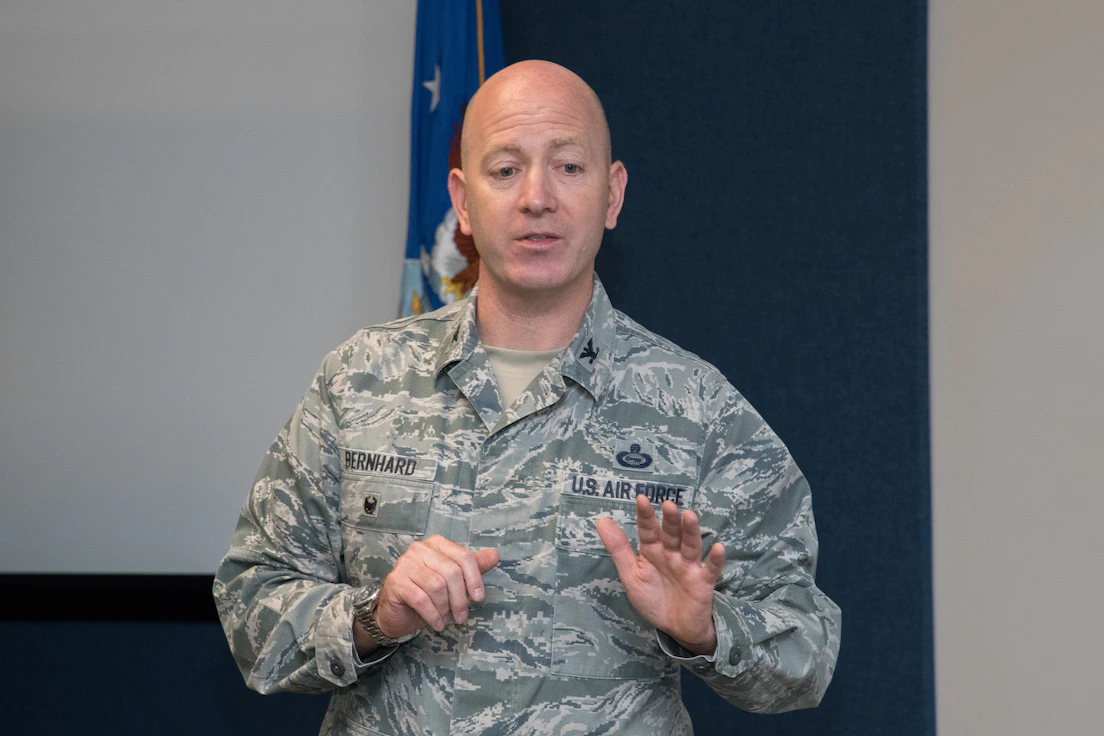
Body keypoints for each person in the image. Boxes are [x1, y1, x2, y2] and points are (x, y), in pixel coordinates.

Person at [214, 60, 841, 736]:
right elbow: (252, 607)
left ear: (613, 193)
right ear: (461, 198)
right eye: (505, 169)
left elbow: (805, 653)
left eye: (569, 167)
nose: (537, 197)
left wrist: (706, 629)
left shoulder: (697, 410)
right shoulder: (360, 379)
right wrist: (375, 617)